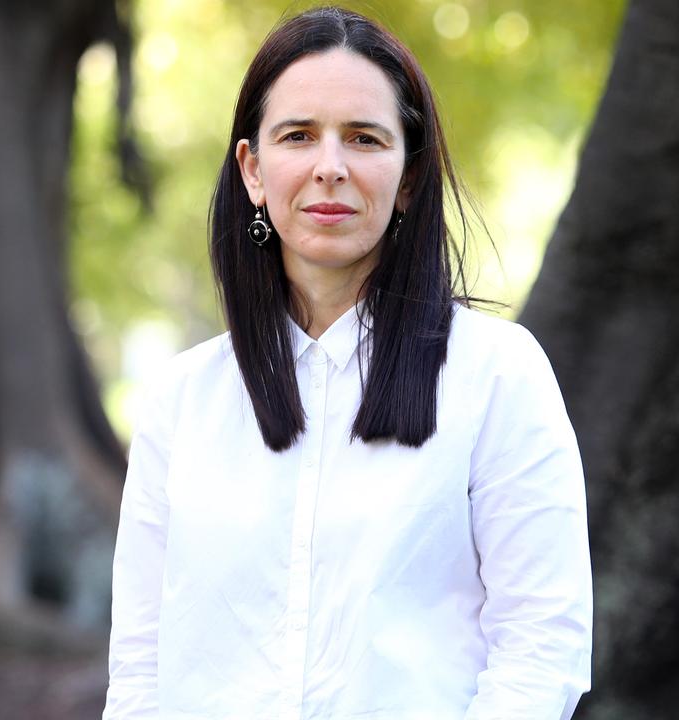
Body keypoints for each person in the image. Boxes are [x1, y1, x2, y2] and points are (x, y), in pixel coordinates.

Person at [104, 6, 591, 719]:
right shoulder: (184, 400)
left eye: (364, 138)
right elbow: (140, 666)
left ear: (410, 177)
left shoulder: (497, 376)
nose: (330, 168)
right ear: (253, 170)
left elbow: (542, 643)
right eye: (298, 136)